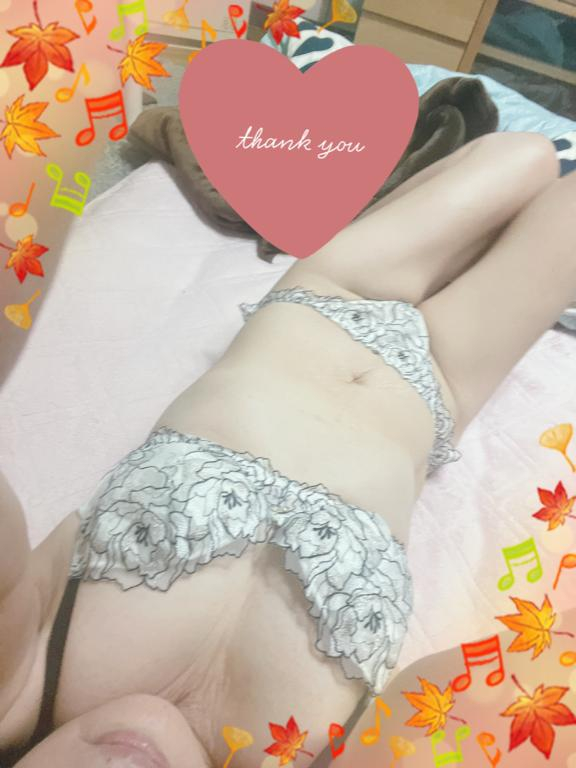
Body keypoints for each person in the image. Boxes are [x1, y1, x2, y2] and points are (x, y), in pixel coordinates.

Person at [0, 131, 574, 768]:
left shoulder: (18, 683)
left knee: (524, 158)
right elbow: (505, 693)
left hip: (329, 297)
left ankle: (373, 210)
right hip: (444, 379)